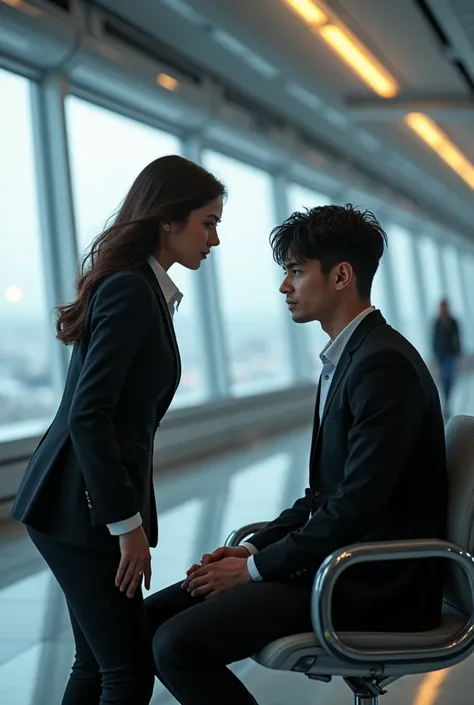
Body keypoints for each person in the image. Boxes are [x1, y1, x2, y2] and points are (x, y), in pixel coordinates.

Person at [145, 204, 447, 705]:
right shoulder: (350, 357)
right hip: (344, 566)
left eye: (296, 271)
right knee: (151, 619)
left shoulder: (382, 365)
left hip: (373, 584)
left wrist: (254, 572)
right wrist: (255, 549)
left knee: (178, 645)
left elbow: (354, 507)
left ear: (341, 276)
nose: (285, 287)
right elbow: (323, 497)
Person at [11, 155, 225, 705]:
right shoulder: (131, 291)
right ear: (167, 221)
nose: (215, 239)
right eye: (208, 222)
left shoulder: (142, 290)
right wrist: (125, 525)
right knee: (127, 671)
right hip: (78, 507)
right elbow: (90, 412)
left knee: (100, 664)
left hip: (73, 503)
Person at [433, 298, 461, 415]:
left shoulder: (453, 321)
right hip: (441, 353)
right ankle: (446, 400)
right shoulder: (437, 322)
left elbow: (457, 338)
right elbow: (434, 338)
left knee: (449, 376)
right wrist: (434, 351)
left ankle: (447, 399)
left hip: (450, 353)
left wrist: (458, 351)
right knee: (444, 378)